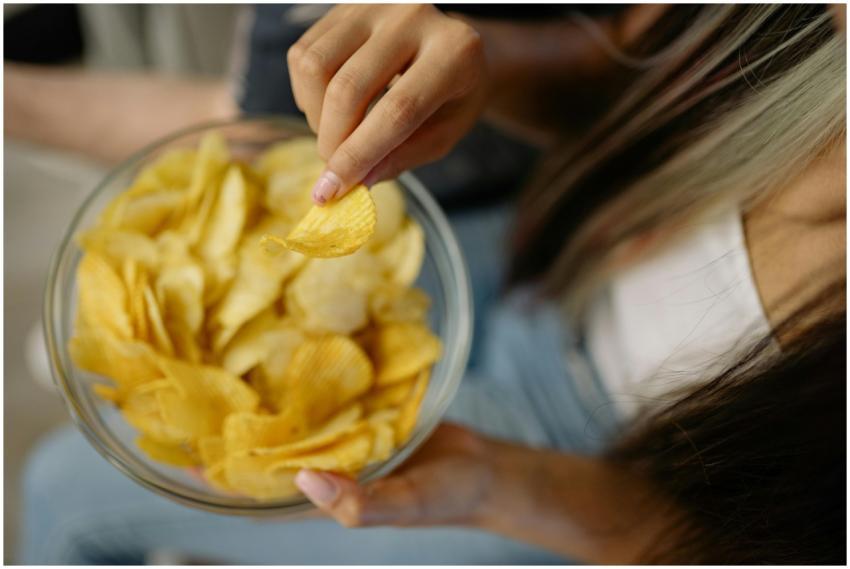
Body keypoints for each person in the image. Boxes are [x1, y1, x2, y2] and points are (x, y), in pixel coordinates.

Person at [13, 4, 845, 564]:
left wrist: (495, 485)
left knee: (60, 490)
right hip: (534, 248)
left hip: (597, 466)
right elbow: (632, 83)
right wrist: (483, 69)